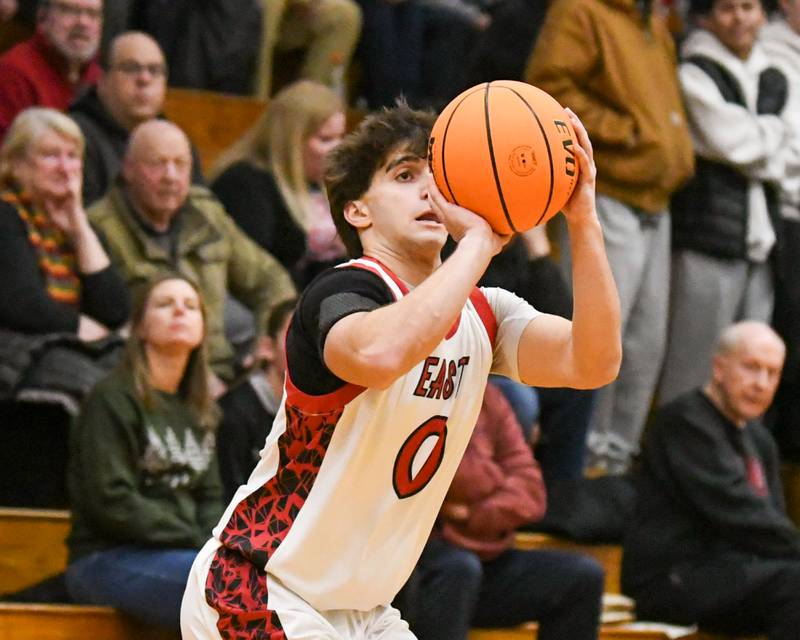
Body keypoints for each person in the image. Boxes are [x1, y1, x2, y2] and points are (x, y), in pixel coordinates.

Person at [180, 101, 620, 638]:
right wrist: (479, 243)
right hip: (260, 585)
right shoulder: (341, 292)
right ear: (357, 211)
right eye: (406, 175)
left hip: (365, 612)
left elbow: (594, 361)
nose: (431, 191)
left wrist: (583, 216)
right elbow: (380, 356)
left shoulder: (484, 311)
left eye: (440, 178)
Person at [526, 0, 695, 474]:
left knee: (644, 343)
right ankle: (578, 467)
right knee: (599, 336)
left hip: (656, 200)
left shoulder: (653, 20)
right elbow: (548, 91)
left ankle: (616, 467)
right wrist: (632, 133)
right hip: (609, 194)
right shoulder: (580, 11)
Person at [658, 0, 798, 407]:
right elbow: (734, 144)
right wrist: (767, 140)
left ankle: (732, 462)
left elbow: (789, 152)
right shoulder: (694, 69)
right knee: (693, 363)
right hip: (706, 236)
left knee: (751, 367)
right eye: (726, 9)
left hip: (762, 240)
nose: (739, 18)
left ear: (762, 13)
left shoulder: (774, 75)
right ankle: (676, 460)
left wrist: (758, 143)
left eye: (748, 7)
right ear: (706, 16)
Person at [622, 321, 800, 640]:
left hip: (734, 573)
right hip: (673, 579)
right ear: (719, 368)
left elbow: (771, 521)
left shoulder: (761, 441)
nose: (761, 383)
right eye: (751, 368)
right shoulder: (684, 422)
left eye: (772, 373)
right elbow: (741, 514)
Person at [66, 275, 224, 630]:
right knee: (225, 588)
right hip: (107, 558)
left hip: (185, 553)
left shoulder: (199, 410)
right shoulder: (112, 400)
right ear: (139, 327)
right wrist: (196, 541)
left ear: (203, 328)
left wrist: (210, 545)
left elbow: (211, 496)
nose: (180, 311)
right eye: (165, 304)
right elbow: (111, 502)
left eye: (190, 305)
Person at [88, 119, 296, 384]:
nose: (170, 176)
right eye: (157, 164)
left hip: (224, 372)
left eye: (180, 164)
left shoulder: (206, 213)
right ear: (128, 169)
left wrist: (264, 345)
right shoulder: (100, 227)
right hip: (150, 376)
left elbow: (271, 280)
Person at [0, 106, 130, 507]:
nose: (65, 167)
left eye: (72, 156)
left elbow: (114, 308)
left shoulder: (77, 226)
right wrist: (80, 328)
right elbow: (21, 306)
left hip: (59, 345)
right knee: (83, 382)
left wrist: (77, 223)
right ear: (18, 164)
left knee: (133, 371)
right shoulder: (5, 214)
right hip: (16, 347)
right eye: (51, 155)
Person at [405, 382, 604, 640]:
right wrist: (497, 479)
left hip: (481, 552)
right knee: (459, 568)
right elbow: (443, 476)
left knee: (582, 577)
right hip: (420, 559)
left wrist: (473, 513)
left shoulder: (488, 397)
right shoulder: (416, 395)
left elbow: (531, 493)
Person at [211, 81, 347, 290]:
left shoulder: (321, 183)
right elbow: (256, 274)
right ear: (291, 140)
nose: (339, 149)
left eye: (341, 137)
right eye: (326, 139)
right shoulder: (245, 184)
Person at [69, 30, 205, 205]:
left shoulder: (175, 141)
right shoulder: (74, 138)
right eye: (131, 68)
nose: (144, 79)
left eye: (154, 70)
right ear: (102, 81)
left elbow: (200, 212)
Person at [217, 298, 296, 502]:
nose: (311, 349)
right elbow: (229, 497)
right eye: (297, 336)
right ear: (267, 348)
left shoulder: (329, 410)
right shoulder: (233, 413)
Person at [0, 0, 103, 140]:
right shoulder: (13, 73)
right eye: (69, 10)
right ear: (42, 18)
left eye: (93, 14)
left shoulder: (101, 76)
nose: (83, 22)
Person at [255, 0, 361, 99]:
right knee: (269, 4)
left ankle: (312, 106)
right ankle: (254, 104)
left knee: (343, 14)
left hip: (288, 18)